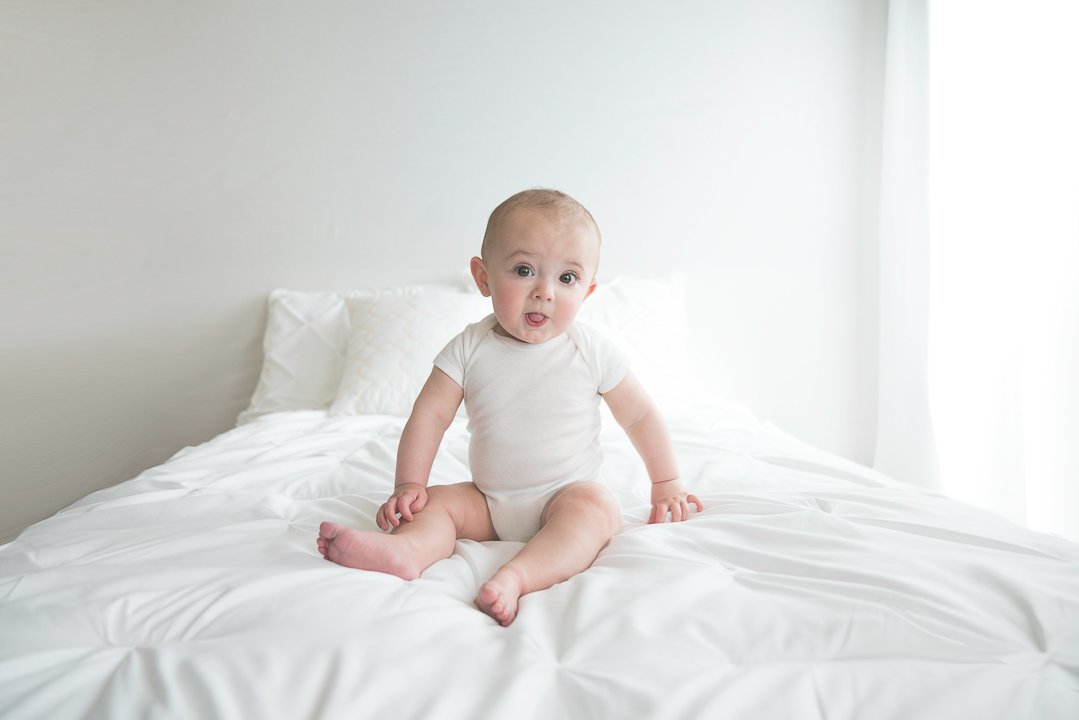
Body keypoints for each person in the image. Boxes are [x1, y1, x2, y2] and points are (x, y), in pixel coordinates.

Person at [317, 188, 703, 626]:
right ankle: (407, 551)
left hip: (564, 492)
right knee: (437, 504)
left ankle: (517, 577)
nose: (544, 292)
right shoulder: (469, 348)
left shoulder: (591, 350)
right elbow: (430, 415)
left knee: (596, 509)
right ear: (483, 278)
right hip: (489, 502)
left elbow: (639, 415)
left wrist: (667, 481)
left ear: (588, 291)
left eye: (567, 279)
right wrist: (409, 485)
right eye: (524, 271)